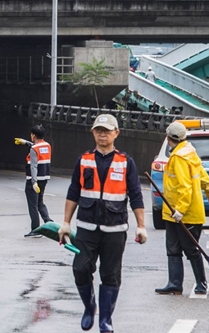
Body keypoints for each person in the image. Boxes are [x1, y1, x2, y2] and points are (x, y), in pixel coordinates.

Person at [58, 114, 147, 333]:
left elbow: (136, 195)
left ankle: (105, 320)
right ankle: (90, 308)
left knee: (110, 275)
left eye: (107, 131)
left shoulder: (126, 162)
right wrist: (66, 223)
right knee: (80, 269)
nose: (102, 134)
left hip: (115, 230)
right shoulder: (84, 159)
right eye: (99, 130)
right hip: (87, 228)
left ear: (116, 133)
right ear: (93, 133)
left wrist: (141, 225)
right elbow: (73, 192)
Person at [155, 121, 209, 296]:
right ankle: (174, 284)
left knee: (190, 249)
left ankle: (200, 283)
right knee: (174, 248)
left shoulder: (179, 158)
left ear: (168, 137)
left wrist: (181, 210)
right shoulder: (190, 152)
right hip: (174, 212)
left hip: (183, 213)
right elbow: (204, 176)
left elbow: (185, 186)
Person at [15, 125, 53, 237]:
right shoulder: (47, 145)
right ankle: (49, 222)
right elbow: (37, 146)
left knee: (33, 205)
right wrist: (25, 142)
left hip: (34, 181)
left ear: (34, 135)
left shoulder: (33, 149)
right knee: (40, 202)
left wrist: (33, 182)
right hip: (44, 178)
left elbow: (33, 166)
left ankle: (36, 229)